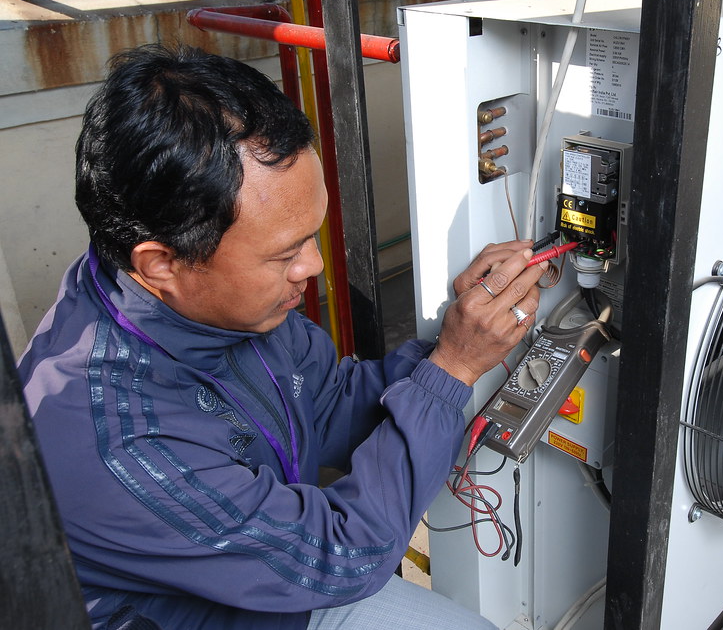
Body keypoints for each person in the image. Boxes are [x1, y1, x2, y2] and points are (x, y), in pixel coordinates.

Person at [18, 44, 546, 630]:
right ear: (161, 262)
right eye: (284, 253)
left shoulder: (211, 304)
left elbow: (332, 404)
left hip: (269, 579)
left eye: (311, 234)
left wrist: (456, 338)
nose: (312, 266)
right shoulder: (119, 444)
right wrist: (451, 372)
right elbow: (342, 556)